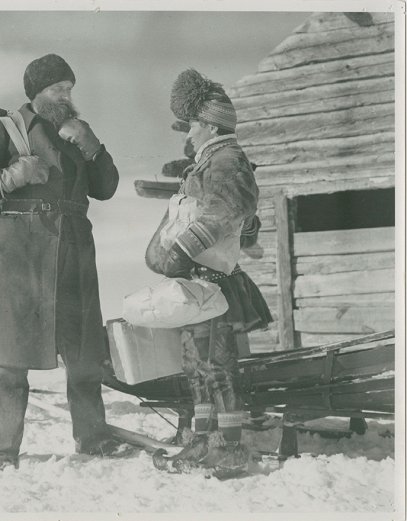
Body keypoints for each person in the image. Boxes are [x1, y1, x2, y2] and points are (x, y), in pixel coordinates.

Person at [0, 54, 121, 471]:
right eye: (58, 89)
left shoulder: (76, 132)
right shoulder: (6, 128)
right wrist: (8, 177)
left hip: (74, 249)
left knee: (83, 354)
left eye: (69, 89)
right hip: (21, 253)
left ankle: (94, 440)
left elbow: (107, 188)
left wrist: (93, 145)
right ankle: (1, 453)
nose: (66, 96)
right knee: (8, 358)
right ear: (37, 92)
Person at [146, 68, 272, 475]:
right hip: (195, 285)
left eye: (192, 125)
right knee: (197, 368)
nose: (187, 133)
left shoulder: (226, 160)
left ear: (208, 125)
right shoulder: (207, 163)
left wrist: (181, 251)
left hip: (212, 284)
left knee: (218, 369)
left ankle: (230, 448)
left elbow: (223, 214)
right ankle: (202, 442)